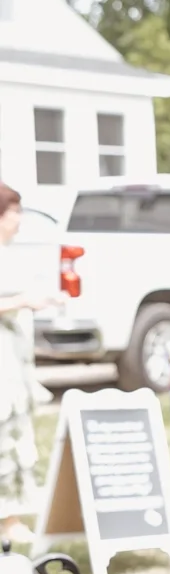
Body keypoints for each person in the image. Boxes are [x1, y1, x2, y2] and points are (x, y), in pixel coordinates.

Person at [0, 183, 55, 541]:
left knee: (16, 431)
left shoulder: (11, 254)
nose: (19, 220)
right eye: (13, 212)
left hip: (15, 358)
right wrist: (21, 300)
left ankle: (11, 515)